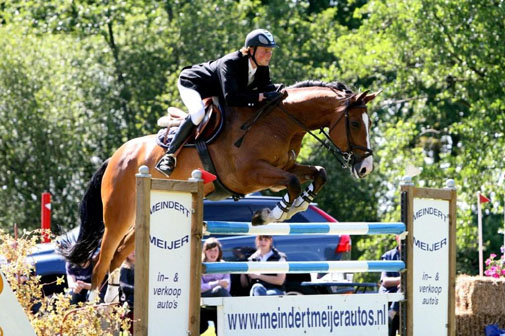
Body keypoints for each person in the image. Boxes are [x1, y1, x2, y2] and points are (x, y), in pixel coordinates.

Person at [156, 28, 282, 176]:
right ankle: (169, 156)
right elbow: (231, 98)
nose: (269, 55)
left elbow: (268, 89)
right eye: (265, 50)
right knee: (198, 114)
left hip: (217, 92)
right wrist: (258, 97)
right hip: (192, 84)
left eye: (271, 50)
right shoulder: (231, 63)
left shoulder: (261, 68)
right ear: (251, 49)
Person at [379, 235, 401, 336]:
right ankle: (391, 313)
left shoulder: (414, 256)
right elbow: (385, 281)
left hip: (403, 298)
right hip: (387, 297)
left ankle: (392, 313)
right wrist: (402, 280)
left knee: (404, 288)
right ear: (397, 238)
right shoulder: (388, 256)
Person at [119, 250, 135, 335]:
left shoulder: (142, 267)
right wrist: (137, 290)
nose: (134, 252)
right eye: (131, 250)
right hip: (129, 301)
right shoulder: (124, 268)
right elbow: (123, 286)